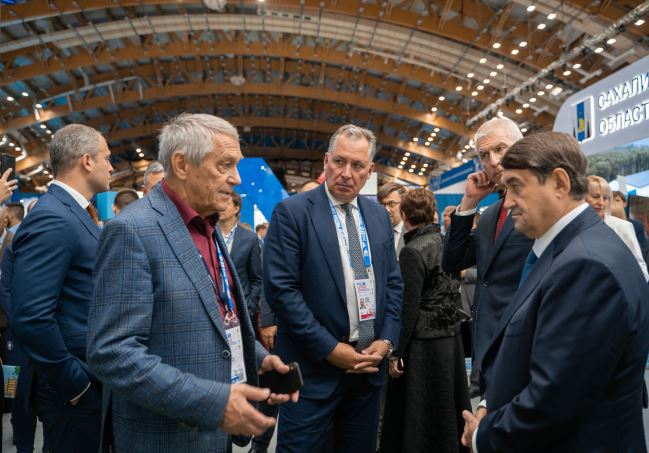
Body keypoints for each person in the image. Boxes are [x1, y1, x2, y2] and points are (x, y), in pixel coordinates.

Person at [86, 113, 297, 452]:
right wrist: (212, 403)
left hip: (212, 437)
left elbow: (218, 315)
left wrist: (256, 357)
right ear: (182, 164)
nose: (237, 178)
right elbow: (112, 353)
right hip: (164, 438)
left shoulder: (207, 225)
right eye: (225, 165)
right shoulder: (132, 231)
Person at [461, 132, 649, 452]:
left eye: (516, 187)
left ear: (559, 183)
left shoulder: (587, 266)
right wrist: (490, 402)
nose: (509, 201)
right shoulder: (566, 249)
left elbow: (554, 398)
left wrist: (483, 435)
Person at [263, 124, 403, 453]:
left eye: (357, 165)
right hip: (313, 373)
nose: (346, 173)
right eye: (339, 161)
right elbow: (283, 292)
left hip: (367, 371)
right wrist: (330, 349)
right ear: (326, 161)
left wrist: (386, 341)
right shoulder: (293, 213)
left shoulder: (378, 216)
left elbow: (393, 284)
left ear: (370, 171)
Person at [10, 124, 113, 453]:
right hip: (74, 387)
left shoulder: (71, 212)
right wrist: (76, 384)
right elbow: (31, 316)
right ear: (87, 161)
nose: (111, 167)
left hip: (88, 376)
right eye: (107, 158)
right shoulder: (53, 217)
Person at [442, 117, 533, 401]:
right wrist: (469, 202)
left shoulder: (538, 205)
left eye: (500, 149)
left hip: (525, 346)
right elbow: (452, 261)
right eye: (484, 155)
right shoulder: (490, 214)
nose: (492, 161)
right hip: (486, 345)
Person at [381, 188, 470, 453]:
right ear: (433, 213)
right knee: (448, 407)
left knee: (420, 414)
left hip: (423, 346)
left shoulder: (411, 251)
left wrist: (396, 352)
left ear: (404, 214)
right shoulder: (445, 242)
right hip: (451, 340)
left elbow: (409, 307)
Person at [585, 176, 649, 280]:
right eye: (595, 196)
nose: (601, 202)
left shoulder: (623, 227)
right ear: (582, 198)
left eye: (605, 198)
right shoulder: (575, 227)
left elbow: (640, 266)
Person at [218, 192, 263, 330]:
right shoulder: (209, 234)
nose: (221, 207)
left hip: (241, 308)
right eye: (219, 202)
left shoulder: (249, 238)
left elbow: (256, 278)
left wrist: (250, 306)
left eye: (226, 203)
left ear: (236, 209)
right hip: (216, 308)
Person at [377, 182, 407, 256]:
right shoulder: (373, 232)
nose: (386, 209)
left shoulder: (412, 232)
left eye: (391, 204)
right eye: (382, 204)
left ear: (403, 204)